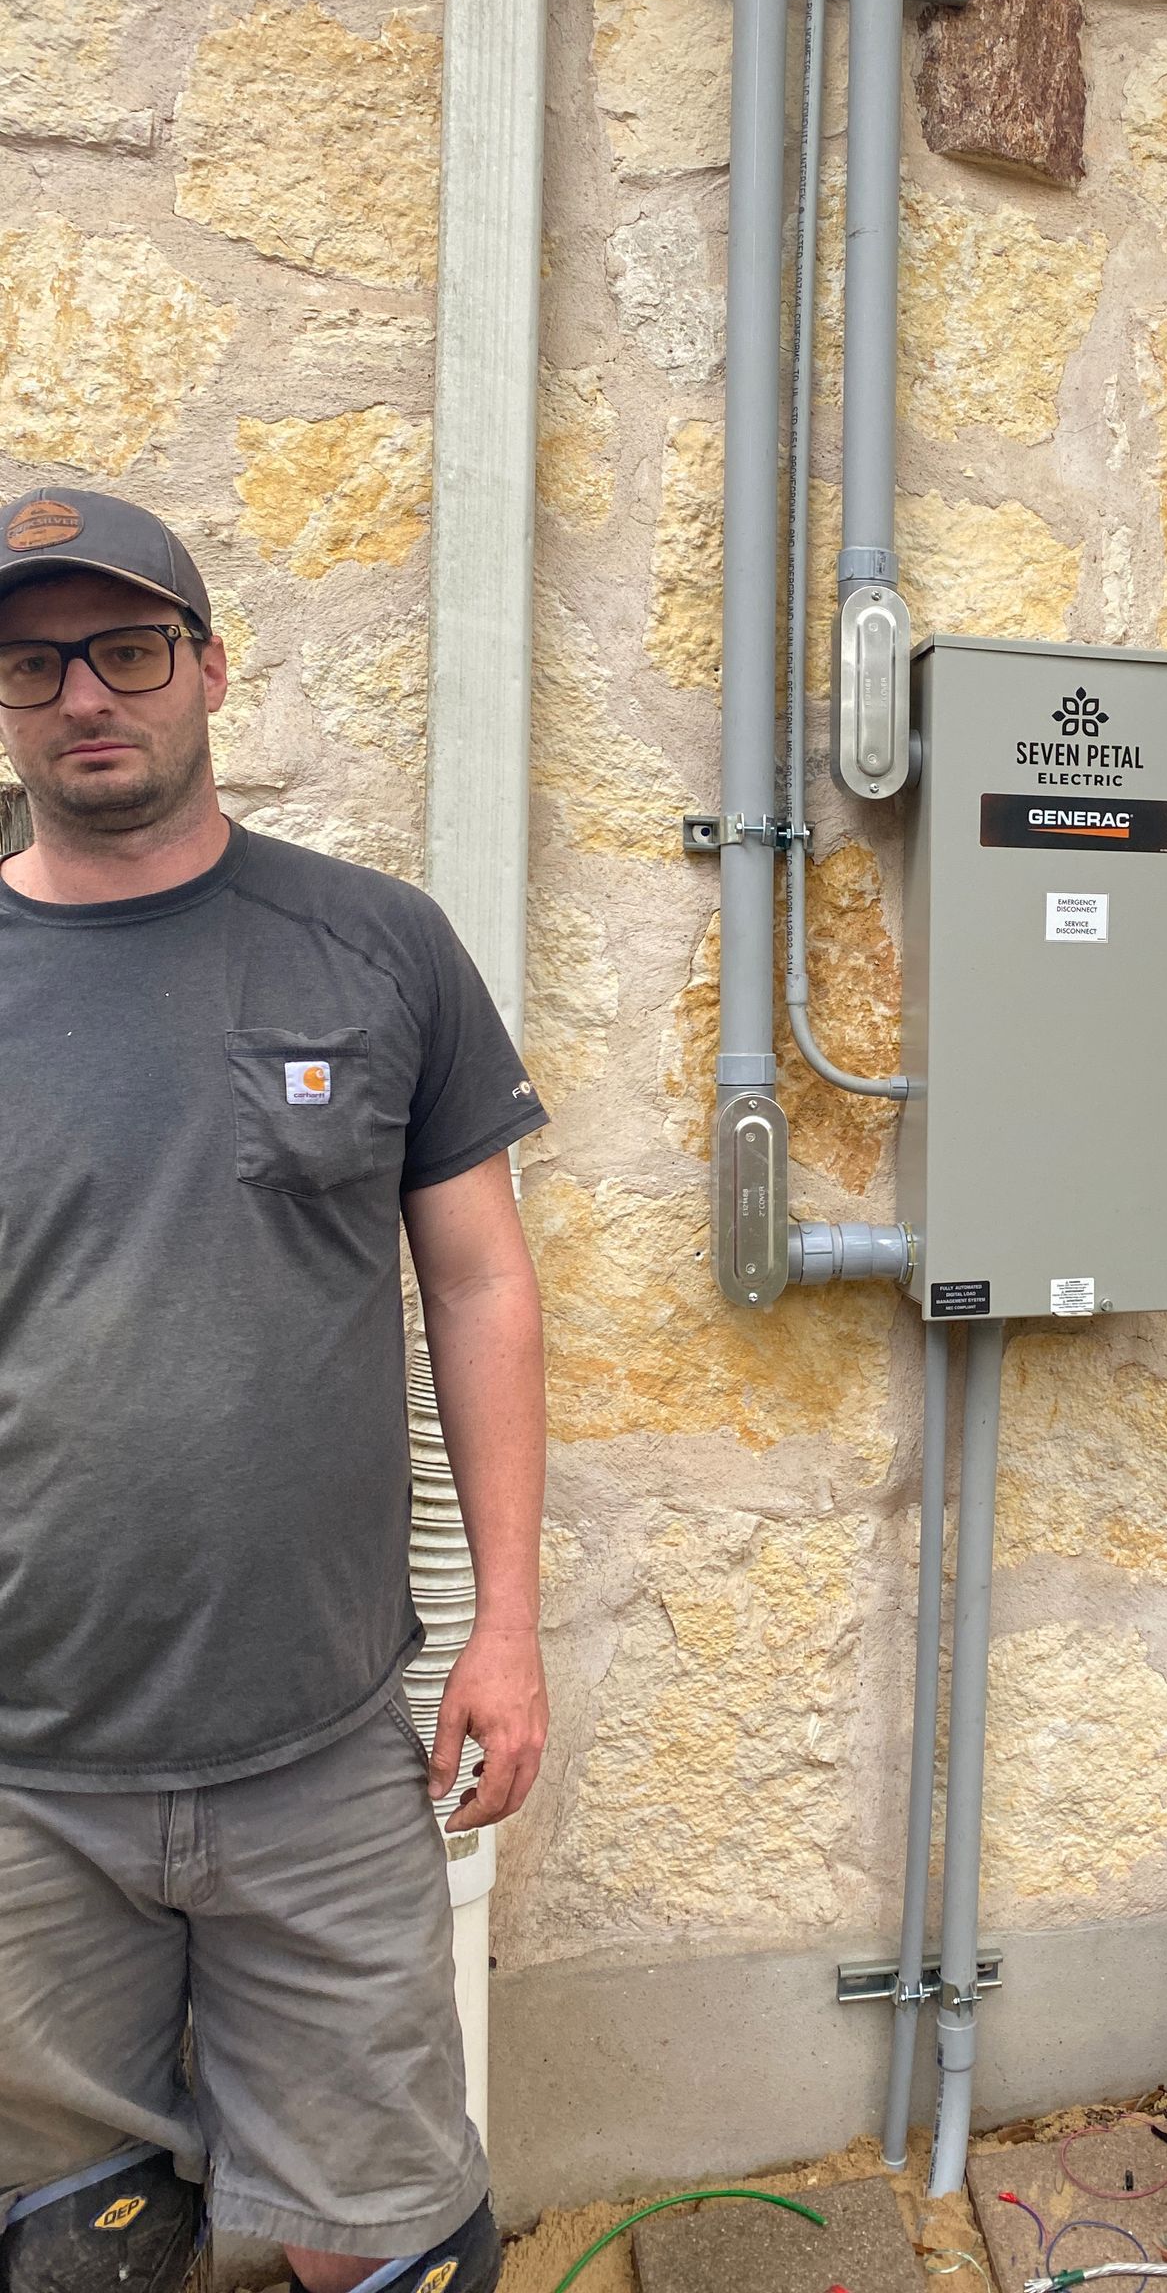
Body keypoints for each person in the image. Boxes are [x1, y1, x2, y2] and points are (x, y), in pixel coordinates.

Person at [0, 488, 551, 2293]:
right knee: (76, 2253)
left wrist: (510, 1629)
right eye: (30, 664)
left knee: (394, 2248)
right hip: (25, 1777)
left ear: (211, 672)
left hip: (316, 1756)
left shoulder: (376, 948)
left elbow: (479, 1284)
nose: (84, 696)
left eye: (128, 649)